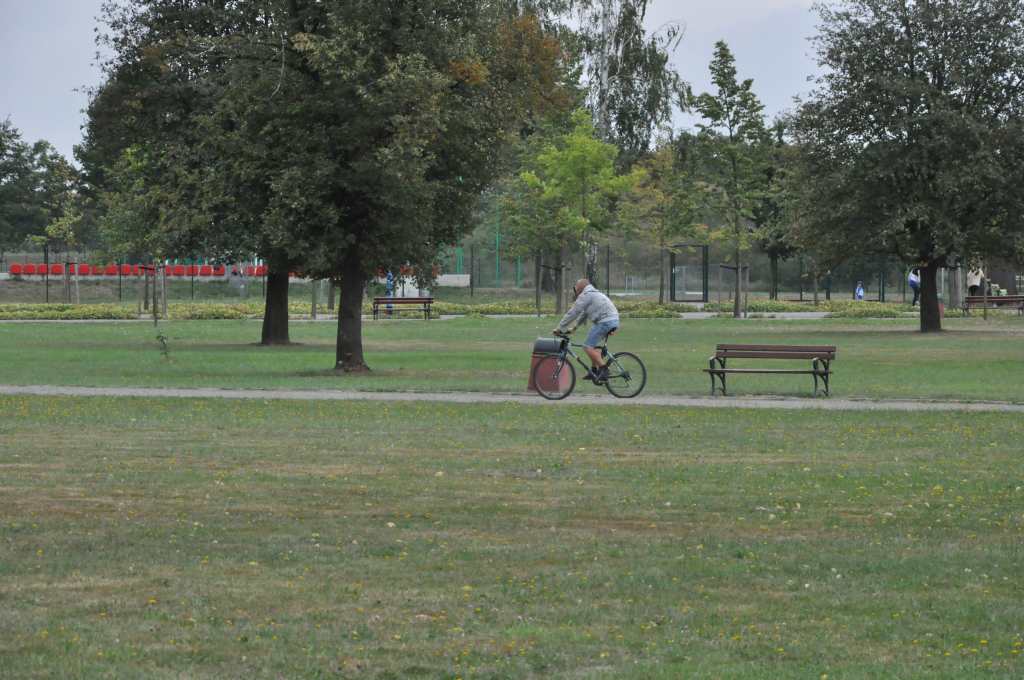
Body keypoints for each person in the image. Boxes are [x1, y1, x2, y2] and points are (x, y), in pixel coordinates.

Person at [553, 278, 620, 383]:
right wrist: (574, 328)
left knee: (587, 347)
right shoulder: (592, 294)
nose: (575, 291)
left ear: (580, 288)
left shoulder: (587, 294)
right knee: (592, 346)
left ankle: (604, 370)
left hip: (605, 321)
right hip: (610, 320)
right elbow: (584, 313)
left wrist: (560, 328)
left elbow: (573, 312)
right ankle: (594, 371)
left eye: (576, 288)